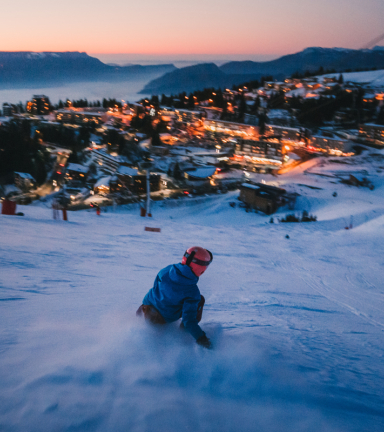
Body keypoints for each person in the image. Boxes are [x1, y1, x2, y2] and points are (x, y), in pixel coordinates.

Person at [137, 246, 213, 349]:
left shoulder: (167, 270)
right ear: (201, 270)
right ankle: (181, 337)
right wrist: (201, 339)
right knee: (200, 300)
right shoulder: (192, 292)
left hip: (143, 309)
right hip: (157, 321)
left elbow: (155, 288)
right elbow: (188, 320)